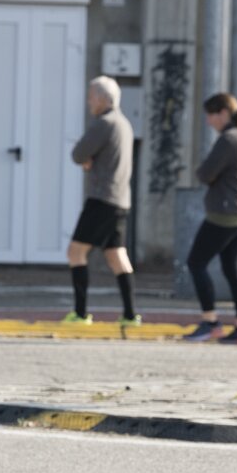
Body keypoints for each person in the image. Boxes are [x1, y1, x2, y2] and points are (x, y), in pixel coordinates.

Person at [182, 93, 237, 344]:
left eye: (210, 115)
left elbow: (205, 173)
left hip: (225, 213)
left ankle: (210, 322)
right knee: (232, 270)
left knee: (196, 262)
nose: (208, 121)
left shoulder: (229, 139)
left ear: (223, 113)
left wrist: (206, 172)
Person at [65, 76, 138, 326]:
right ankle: (130, 315)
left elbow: (78, 154)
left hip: (102, 198)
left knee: (76, 252)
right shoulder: (124, 124)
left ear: (102, 99)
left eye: (91, 97)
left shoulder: (104, 123)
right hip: (121, 199)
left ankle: (80, 313)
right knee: (117, 255)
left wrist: (88, 160)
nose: (89, 103)